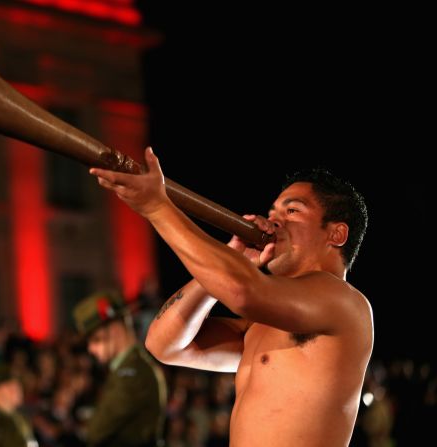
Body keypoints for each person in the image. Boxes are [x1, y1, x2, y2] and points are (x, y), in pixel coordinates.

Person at [89, 148, 373, 446]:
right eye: (273, 212)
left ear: (336, 234)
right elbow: (163, 344)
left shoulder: (344, 302)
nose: (274, 221)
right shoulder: (258, 327)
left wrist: (158, 208)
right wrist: (232, 257)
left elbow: (242, 292)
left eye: (292, 211)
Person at [73, 290, 167, 447]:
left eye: (96, 339)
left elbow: (95, 432)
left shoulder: (132, 374)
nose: (91, 348)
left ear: (115, 329)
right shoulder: (130, 367)